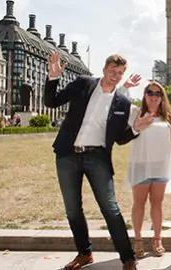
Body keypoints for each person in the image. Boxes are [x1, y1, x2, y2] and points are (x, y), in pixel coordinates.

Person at [44, 51, 144, 270]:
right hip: (68, 155)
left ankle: (128, 258)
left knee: (110, 208)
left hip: (97, 157)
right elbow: (51, 102)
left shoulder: (122, 102)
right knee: (72, 209)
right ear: (104, 70)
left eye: (120, 73)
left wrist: (135, 129)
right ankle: (84, 254)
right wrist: (53, 77)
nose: (116, 76)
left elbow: (119, 138)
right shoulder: (83, 84)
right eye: (112, 71)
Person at [121, 77, 171, 259]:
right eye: (150, 93)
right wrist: (125, 87)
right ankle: (138, 240)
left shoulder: (169, 119)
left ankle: (157, 239)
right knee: (139, 204)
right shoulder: (136, 112)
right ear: (144, 95)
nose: (154, 96)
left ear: (162, 97)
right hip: (141, 166)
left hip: (161, 168)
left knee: (157, 204)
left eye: (158, 93)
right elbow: (118, 102)